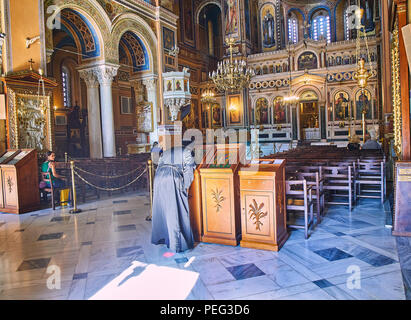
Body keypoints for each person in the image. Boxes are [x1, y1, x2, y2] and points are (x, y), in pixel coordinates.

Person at [151, 141, 196, 252]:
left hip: (158, 178)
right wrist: (184, 187)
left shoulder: (167, 151)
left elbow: (159, 166)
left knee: (162, 209)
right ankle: (177, 243)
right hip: (172, 177)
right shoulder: (187, 152)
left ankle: (164, 238)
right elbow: (189, 171)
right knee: (175, 209)